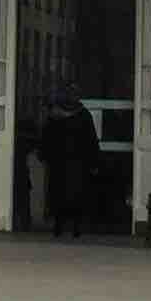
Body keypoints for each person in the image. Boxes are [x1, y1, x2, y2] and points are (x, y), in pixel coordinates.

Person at [37, 87, 103, 238]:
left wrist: (44, 155)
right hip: (78, 163)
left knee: (57, 195)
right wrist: (94, 161)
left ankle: (58, 227)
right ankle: (76, 227)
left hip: (58, 163)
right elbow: (90, 139)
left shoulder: (54, 116)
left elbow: (46, 138)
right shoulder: (83, 115)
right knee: (76, 195)